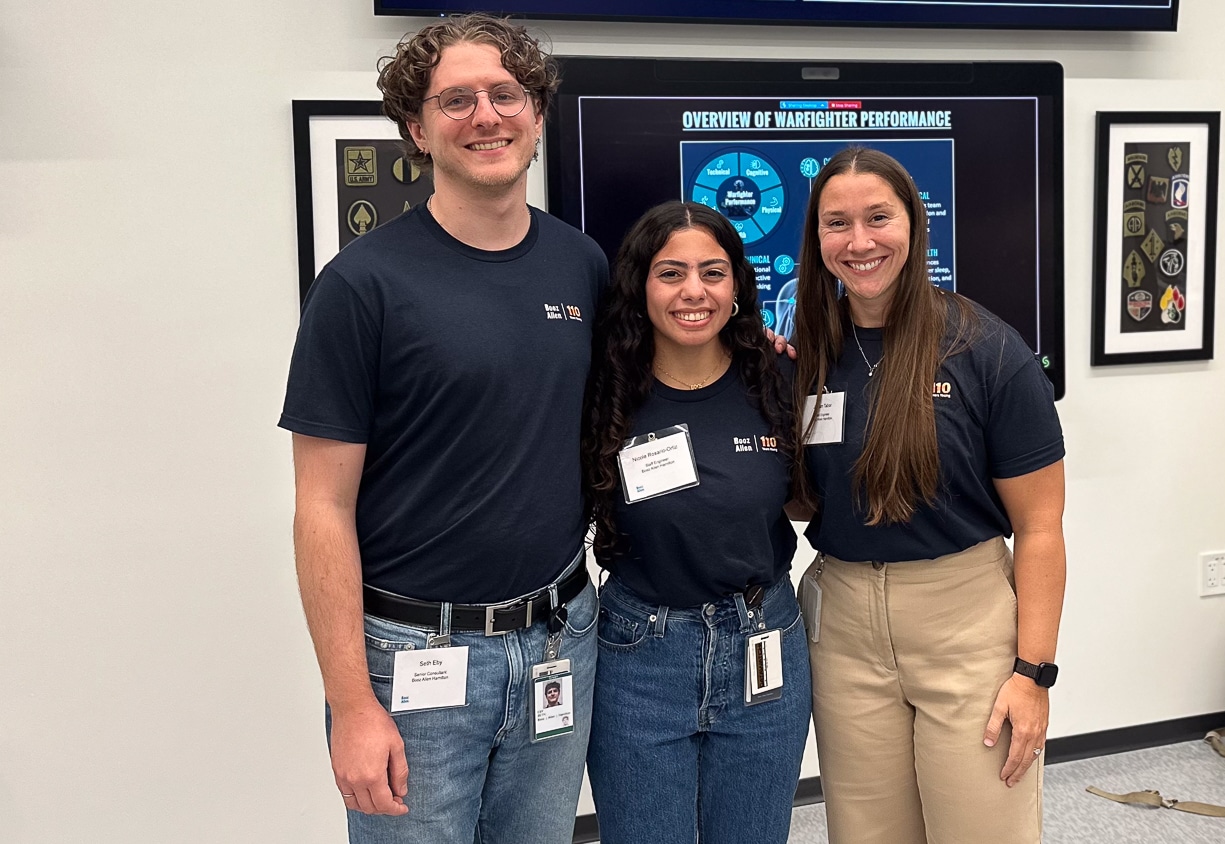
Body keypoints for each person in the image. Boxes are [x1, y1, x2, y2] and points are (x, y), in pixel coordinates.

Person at [279, 14, 608, 844]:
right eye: (455, 100)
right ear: (415, 128)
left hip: (559, 643)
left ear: (537, 113)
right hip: (411, 659)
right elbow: (321, 507)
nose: (485, 116)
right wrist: (353, 705)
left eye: (506, 93)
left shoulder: (582, 264)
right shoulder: (361, 286)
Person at [790, 147, 1066, 844]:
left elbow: (1040, 526)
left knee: (982, 830)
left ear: (915, 225)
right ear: (816, 239)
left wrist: (1033, 675)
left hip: (964, 627)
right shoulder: (809, 351)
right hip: (844, 629)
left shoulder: (988, 351)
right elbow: (809, 497)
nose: (859, 242)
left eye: (878, 217)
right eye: (837, 223)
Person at [580, 202, 813, 844]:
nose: (693, 291)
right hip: (639, 657)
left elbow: (807, 498)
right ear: (640, 285)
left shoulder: (779, 379)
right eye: (671, 273)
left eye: (713, 272)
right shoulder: (601, 387)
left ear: (737, 284)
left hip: (763, 643)